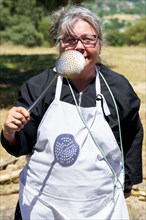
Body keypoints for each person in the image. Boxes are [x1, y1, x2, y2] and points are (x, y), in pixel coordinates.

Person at [1, 5, 143, 220]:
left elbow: (131, 135)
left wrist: (127, 181)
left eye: (88, 39)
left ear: (99, 44)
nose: (79, 47)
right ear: (59, 46)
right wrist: (10, 131)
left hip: (101, 206)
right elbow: (20, 144)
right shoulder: (38, 87)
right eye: (69, 39)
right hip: (43, 205)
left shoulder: (118, 88)